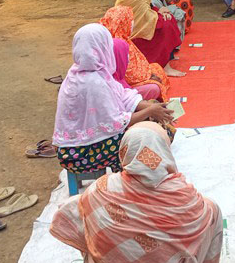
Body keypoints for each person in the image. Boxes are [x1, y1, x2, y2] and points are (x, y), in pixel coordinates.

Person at [50, 122, 224, 263]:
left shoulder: (101, 190)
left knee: (89, 220)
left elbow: (67, 214)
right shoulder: (188, 201)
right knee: (211, 214)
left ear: (125, 151)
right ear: (164, 151)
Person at [52, 24, 173, 174]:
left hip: (76, 148)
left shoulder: (82, 73)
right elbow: (116, 124)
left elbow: (123, 95)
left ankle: (147, 171)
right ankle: (140, 178)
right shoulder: (94, 82)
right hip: (81, 155)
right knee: (143, 137)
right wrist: (150, 111)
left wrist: (150, 107)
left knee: (150, 119)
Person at [115, 0, 184, 77]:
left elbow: (146, 10)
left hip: (139, 24)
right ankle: (165, 66)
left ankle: (168, 57)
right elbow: (142, 18)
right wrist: (160, 16)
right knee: (166, 25)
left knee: (168, 18)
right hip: (134, 32)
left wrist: (160, 12)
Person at [100, 6, 171, 102]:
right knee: (154, 88)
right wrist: (147, 77)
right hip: (122, 86)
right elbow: (127, 75)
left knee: (156, 69)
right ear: (123, 22)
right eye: (130, 20)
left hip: (128, 81)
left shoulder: (119, 38)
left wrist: (147, 73)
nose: (133, 23)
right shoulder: (117, 44)